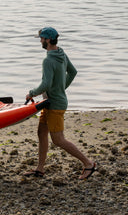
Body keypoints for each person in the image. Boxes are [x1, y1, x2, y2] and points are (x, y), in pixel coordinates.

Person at [24, 27, 96, 180]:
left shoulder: (48, 60)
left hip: (55, 105)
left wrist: (31, 93)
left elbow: (45, 84)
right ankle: (40, 169)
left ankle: (88, 163)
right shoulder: (60, 53)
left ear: (48, 40)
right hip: (49, 103)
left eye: (42, 39)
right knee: (41, 132)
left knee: (58, 139)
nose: (41, 41)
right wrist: (61, 88)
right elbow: (73, 72)